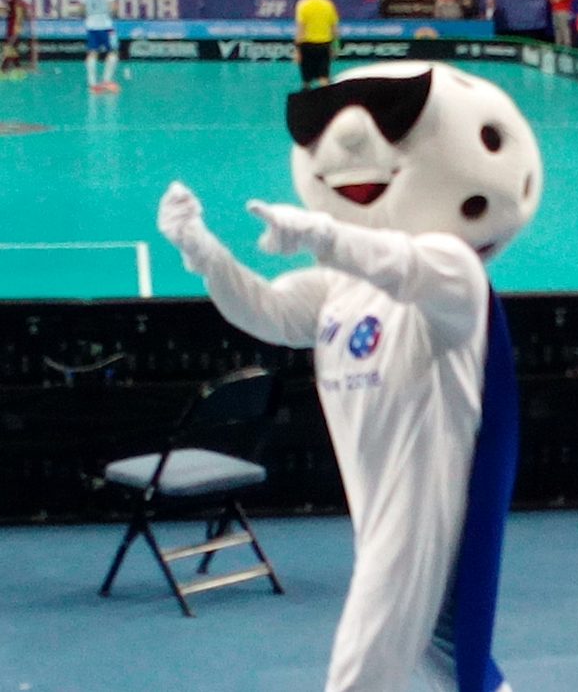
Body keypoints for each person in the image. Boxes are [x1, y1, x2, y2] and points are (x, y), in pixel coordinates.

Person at [158, 61, 543, 692]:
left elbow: (401, 264)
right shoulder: (340, 287)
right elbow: (269, 311)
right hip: (372, 500)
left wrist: (326, 234)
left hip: (426, 505)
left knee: (365, 664)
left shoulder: (452, 273)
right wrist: (205, 255)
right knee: (443, 657)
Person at [294, 0, 339, 89]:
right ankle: (325, 98)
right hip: (325, 44)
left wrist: (297, 50)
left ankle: (306, 98)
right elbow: (335, 28)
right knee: (324, 78)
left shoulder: (302, 4)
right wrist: (335, 46)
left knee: (306, 80)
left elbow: (300, 29)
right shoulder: (328, 4)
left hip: (307, 45)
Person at [79, 0, 120, 93]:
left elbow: (81, 9)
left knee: (92, 52)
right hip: (106, 26)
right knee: (112, 52)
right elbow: (113, 7)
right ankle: (106, 81)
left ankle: (92, 83)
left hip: (91, 26)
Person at [1, 0, 28, 76]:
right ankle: (18, 68)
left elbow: (19, 12)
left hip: (14, 26)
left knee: (8, 47)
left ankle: (3, 69)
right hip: (9, 25)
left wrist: (18, 25)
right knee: (12, 48)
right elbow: (10, 11)